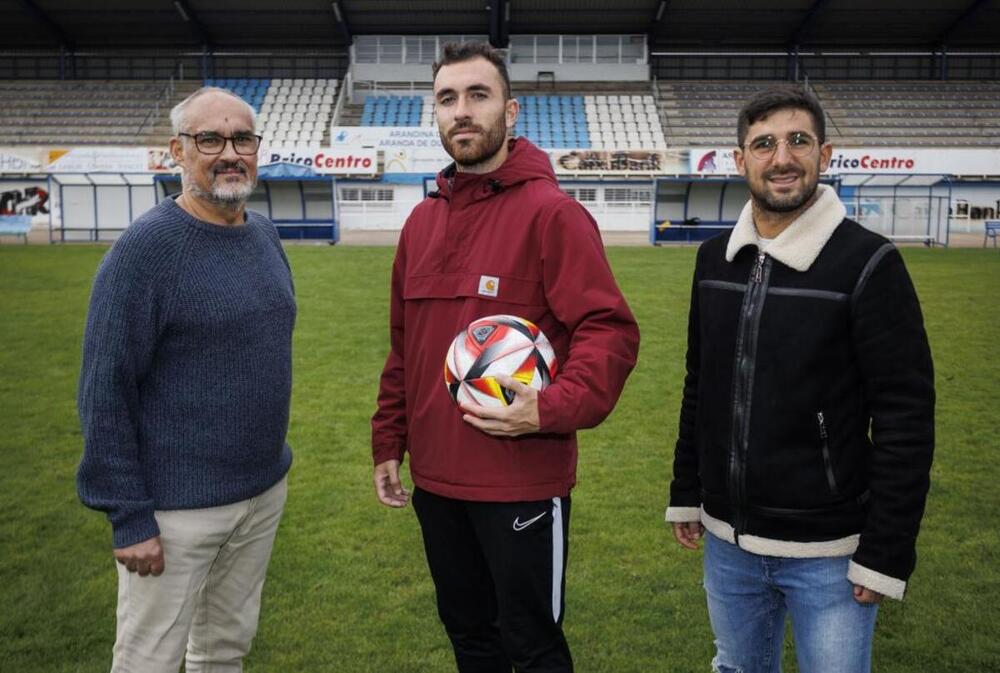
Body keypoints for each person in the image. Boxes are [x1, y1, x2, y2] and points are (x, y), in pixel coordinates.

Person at [371, 42, 639, 673]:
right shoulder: (418, 224)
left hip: (519, 480)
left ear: (511, 111)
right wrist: (389, 442)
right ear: (434, 114)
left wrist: (549, 409)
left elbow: (610, 332)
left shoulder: (553, 215)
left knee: (532, 647)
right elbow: (404, 347)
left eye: (478, 95)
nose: (461, 112)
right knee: (470, 637)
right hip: (437, 481)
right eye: (446, 99)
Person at [665, 84, 935, 673]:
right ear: (740, 161)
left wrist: (886, 551)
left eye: (797, 141)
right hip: (727, 543)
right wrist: (688, 492)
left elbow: (905, 417)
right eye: (763, 144)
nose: (781, 158)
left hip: (829, 552)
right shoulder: (714, 260)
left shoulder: (870, 262)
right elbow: (700, 384)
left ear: (825, 153)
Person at [77, 87, 295, 673]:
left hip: (260, 493)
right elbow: (104, 390)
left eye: (242, 138)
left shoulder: (264, 235)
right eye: (210, 139)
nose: (230, 153)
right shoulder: (145, 251)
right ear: (178, 150)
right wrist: (129, 515)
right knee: (149, 660)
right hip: (175, 512)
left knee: (224, 652)